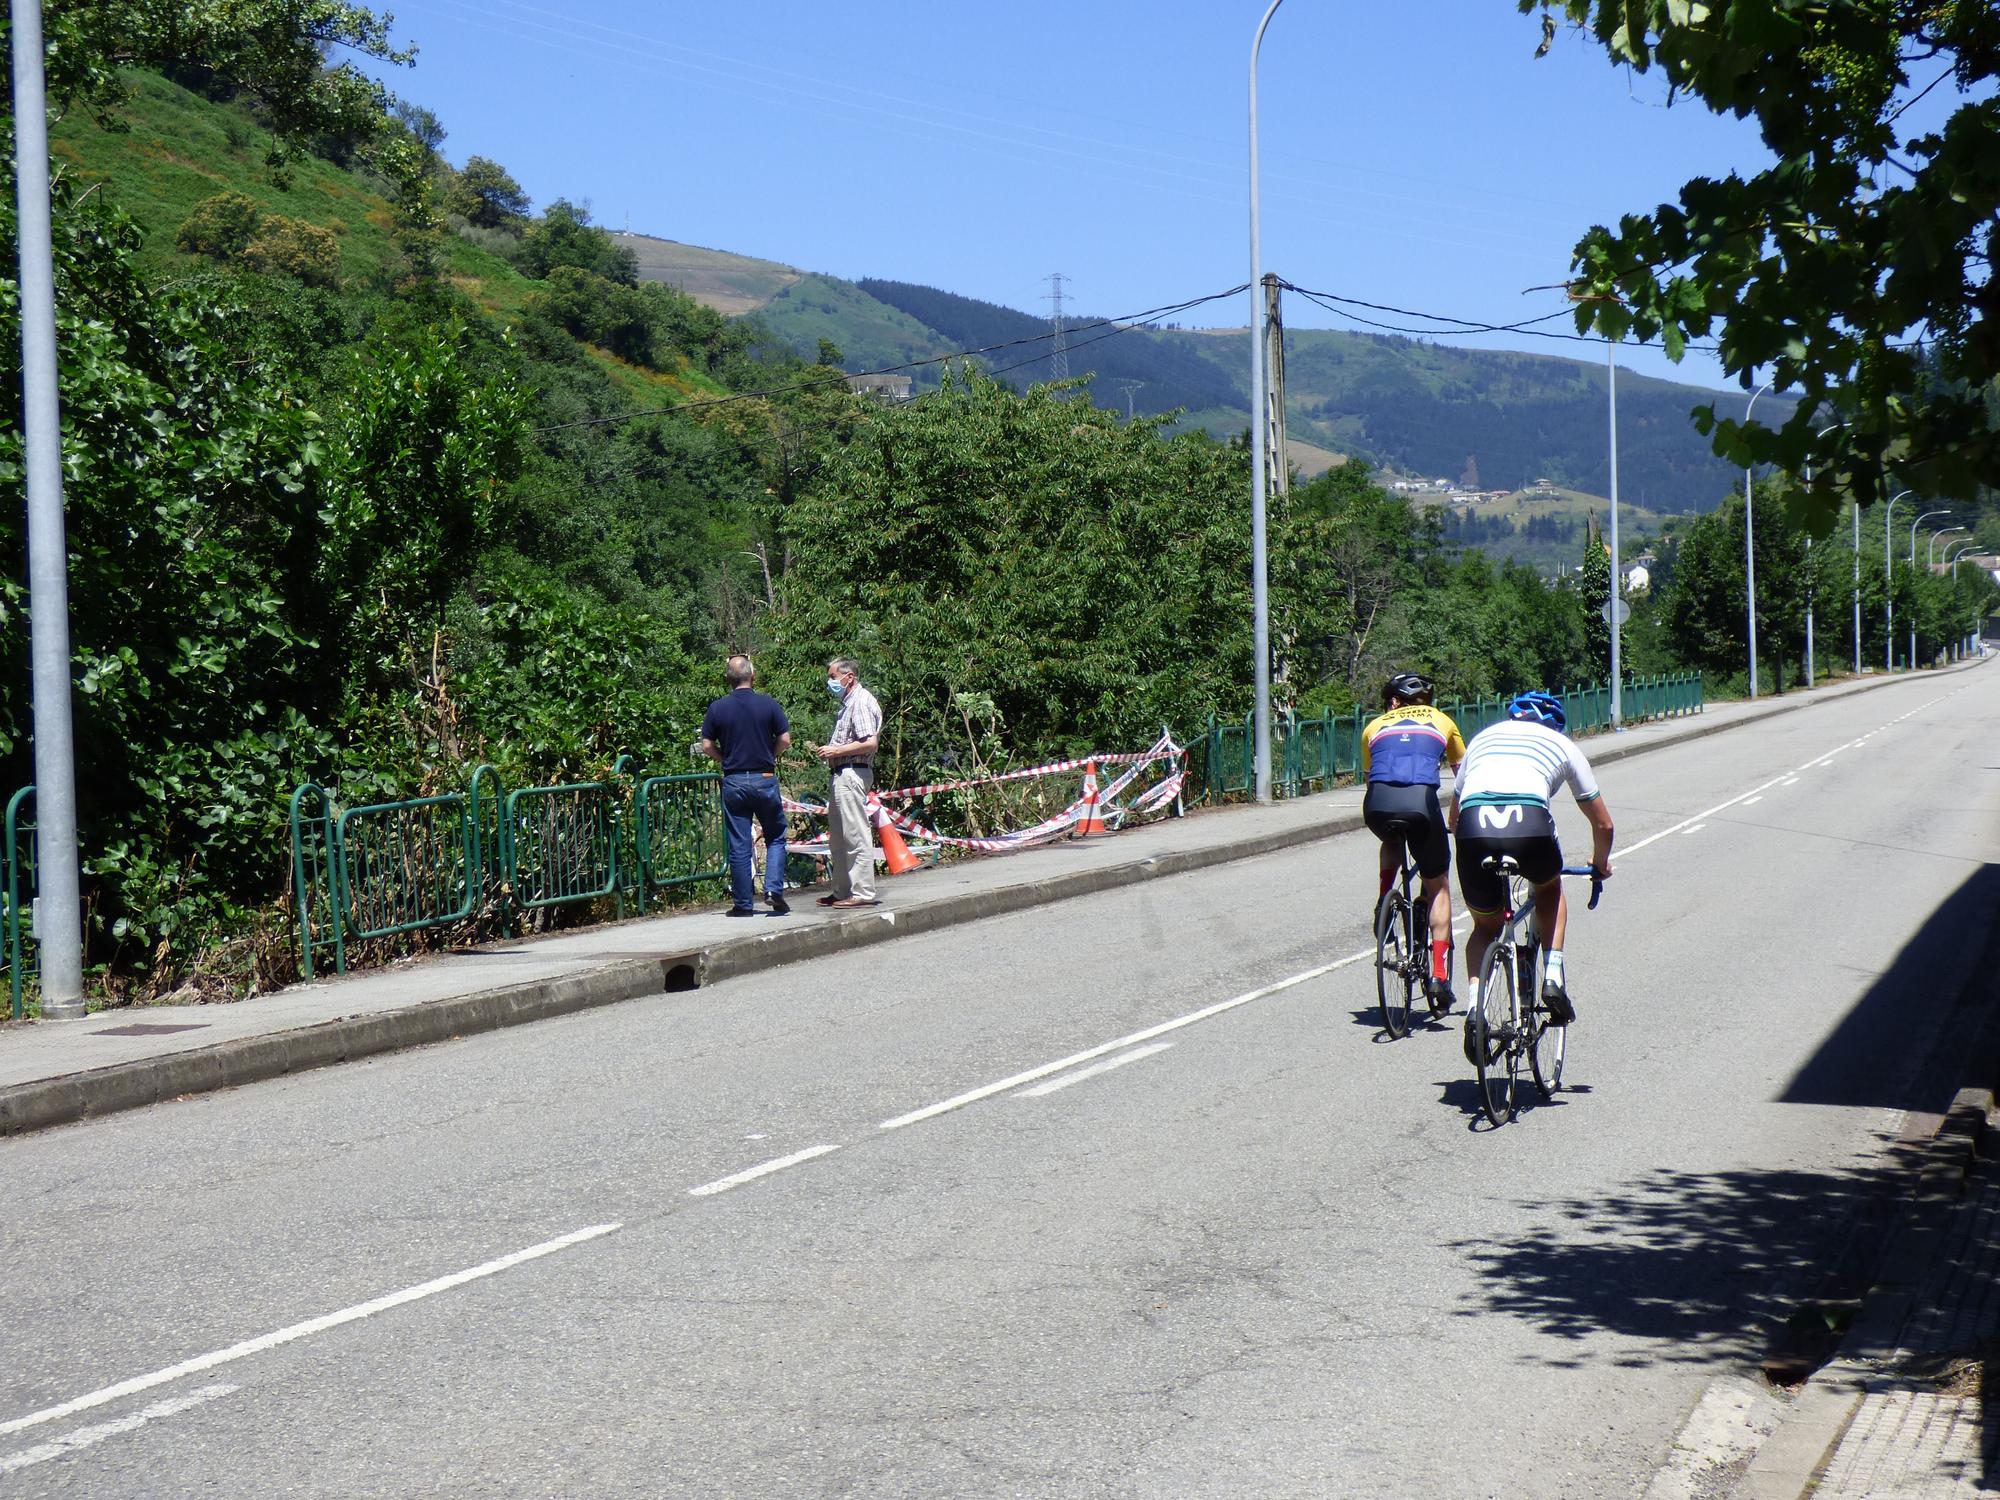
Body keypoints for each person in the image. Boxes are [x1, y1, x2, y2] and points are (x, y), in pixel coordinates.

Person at [1449, 690, 1615, 1063]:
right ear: (1554, 724)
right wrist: (1600, 864)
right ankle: (1552, 975)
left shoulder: (1482, 738)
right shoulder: (1561, 744)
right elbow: (1604, 823)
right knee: (1549, 888)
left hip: (1474, 827)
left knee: (1484, 928)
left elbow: (1453, 818)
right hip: (1530, 822)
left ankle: (1475, 1008)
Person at [1359, 670, 1466, 1007]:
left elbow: (1370, 779)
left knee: (1391, 838)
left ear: (1394, 701)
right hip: (1421, 804)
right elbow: (1463, 778)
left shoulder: (1373, 726)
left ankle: (1384, 899)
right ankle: (1437, 974)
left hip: (1377, 806)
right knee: (1439, 886)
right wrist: (1456, 818)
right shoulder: (1442, 720)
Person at [697, 654, 792, 917]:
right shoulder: (768, 704)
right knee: (775, 836)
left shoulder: (717, 708)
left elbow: (706, 746)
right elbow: (785, 739)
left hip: (734, 780)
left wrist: (725, 759)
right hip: (764, 778)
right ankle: (773, 890)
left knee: (739, 842)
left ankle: (742, 904)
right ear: (753, 676)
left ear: (728, 679)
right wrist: (770, 755)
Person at [816, 656, 883, 908]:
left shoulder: (861, 702)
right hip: (842, 773)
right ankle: (842, 890)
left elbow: (869, 742)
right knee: (839, 837)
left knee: (855, 834)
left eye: (833, 676)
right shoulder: (847, 703)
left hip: (853, 771)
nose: (830, 681)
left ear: (849, 677)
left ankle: (863, 892)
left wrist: (836, 751)